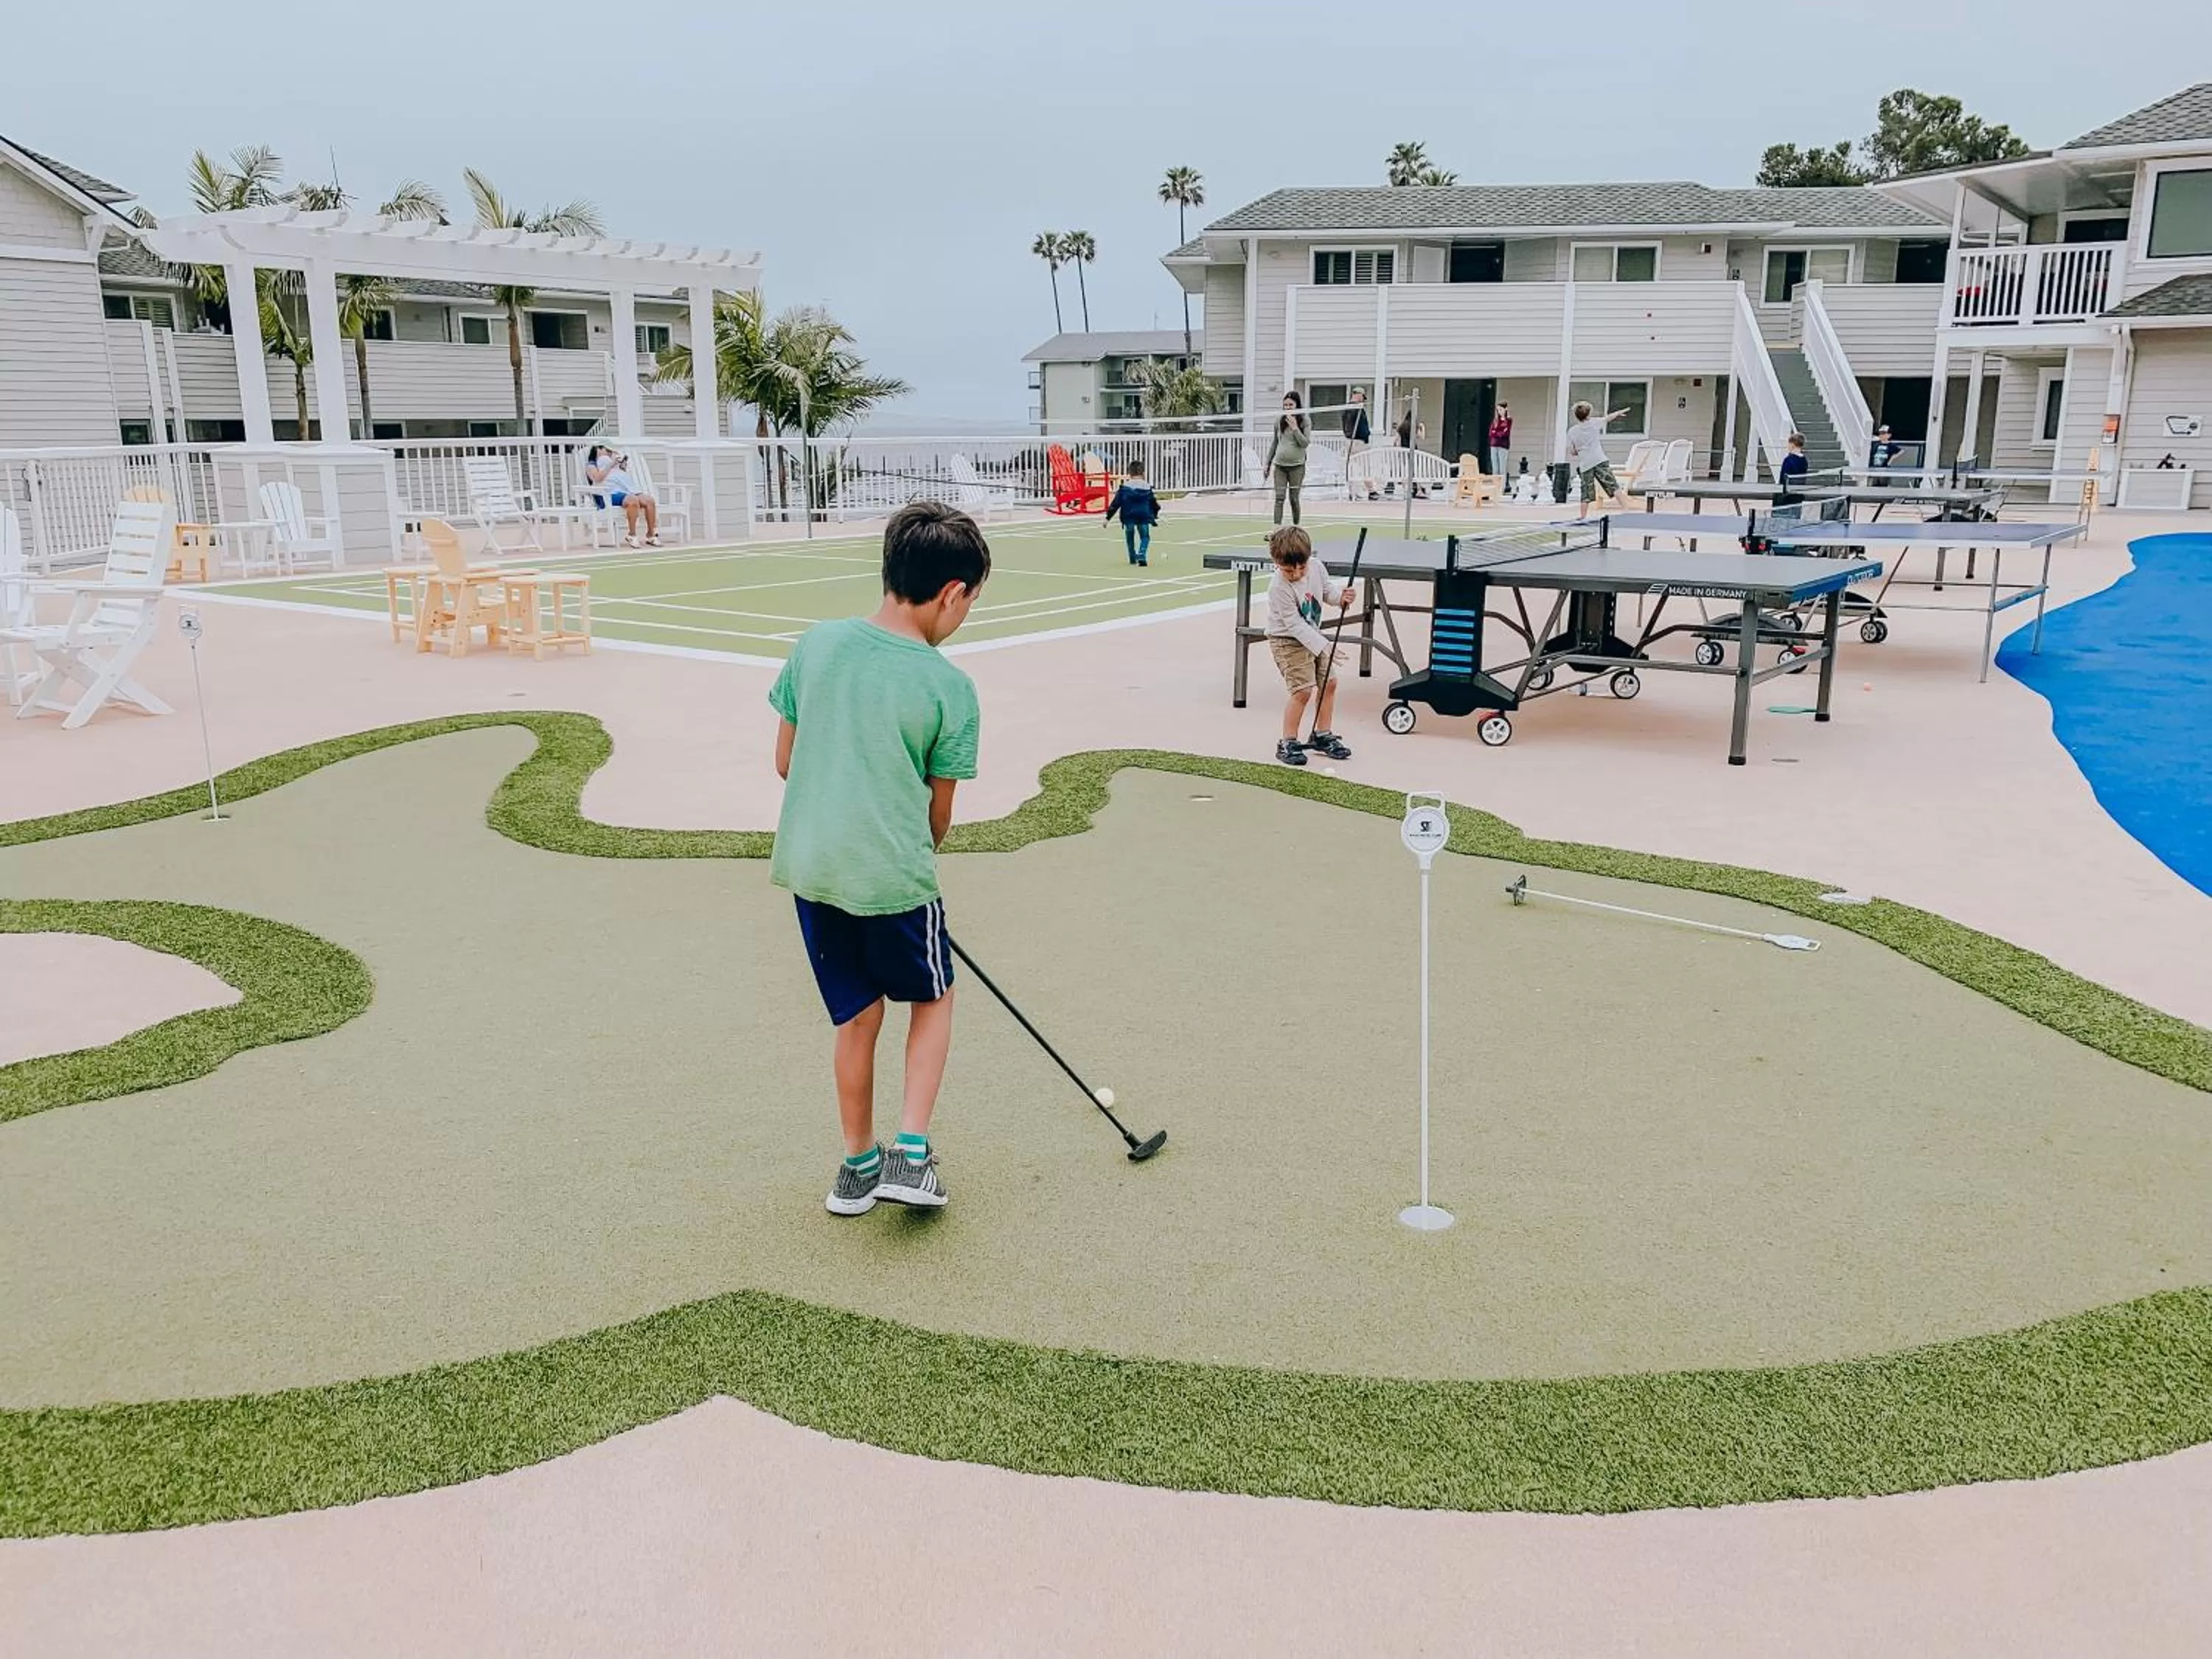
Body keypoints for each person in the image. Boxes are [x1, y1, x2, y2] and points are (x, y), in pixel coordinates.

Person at [769, 501, 990, 1217]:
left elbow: (785, 762)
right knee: (934, 997)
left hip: (813, 871)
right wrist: (905, 861)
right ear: (953, 592)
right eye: (969, 604)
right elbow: (938, 816)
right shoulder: (950, 687)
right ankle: (912, 1155)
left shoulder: (818, 644)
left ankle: (857, 1167)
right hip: (892, 879)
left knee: (857, 1017)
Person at [1263, 525, 1354, 768]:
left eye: (1301, 567)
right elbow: (1293, 625)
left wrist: (1340, 599)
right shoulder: (1278, 588)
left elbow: (1327, 592)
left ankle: (1323, 735)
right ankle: (1288, 742)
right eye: (1288, 569)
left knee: (1329, 683)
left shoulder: (1316, 567)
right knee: (1302, 690)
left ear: (1308, 558)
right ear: (1276, 562)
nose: (1296, 574)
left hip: (1312, 634)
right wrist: (1324, 646)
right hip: (1287, 641)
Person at [584, 444, 661, 549]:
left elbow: (619, 478)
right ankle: (632, 535)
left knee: (649, 501)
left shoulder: (614, 464)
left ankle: (651, 535)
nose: (608, 452)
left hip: (626, 491)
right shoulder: (591, 465)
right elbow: (597, 478)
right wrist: (611, 464)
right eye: (605, 450)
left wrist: (621, 467)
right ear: (597, 450)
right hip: (608, 494)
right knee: (633, 500)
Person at [1564, 400, 1630, 520]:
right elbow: (1608, 418)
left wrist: (1580, 450)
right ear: (1589, 414)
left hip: (1585, 464)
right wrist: (1619, 413)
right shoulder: (1594, 423)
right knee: (1613, 485)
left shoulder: (1572, 431)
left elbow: (1572, 452)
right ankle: (1626, 509)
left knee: (1586, 490)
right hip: (1599, 460)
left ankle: (1583, 516)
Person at [1103, 459, 1161, 566]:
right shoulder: (1147, 487)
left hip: (1128, 515)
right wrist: (1156, 513)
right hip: (1143, 514)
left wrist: (1108, 518)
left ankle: (1132, 558)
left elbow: (1116, 503)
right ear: (1143, 473)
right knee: (1145, 536)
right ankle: (1142, 553)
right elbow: (1153, 503)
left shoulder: (1125, 487)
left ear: (1130, 473)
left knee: (1130, 536)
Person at [1268, 392, 1310, 526]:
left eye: (1291, 405)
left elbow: (1305, 443)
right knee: (1279, 498)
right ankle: (1276, 529)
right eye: (1285, 405)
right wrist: (1268, 463)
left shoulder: (1305, 420)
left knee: (1294, 498)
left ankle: (1296, 527)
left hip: (1297, 466)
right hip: (1280, 465)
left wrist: (1295, 428)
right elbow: (1275, 443)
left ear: (1297, 405)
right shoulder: (1279, 421)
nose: (1288, 408)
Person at [1343, 387, 1376, 501]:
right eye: (1363, 397)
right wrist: (1366, 436)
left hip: (1351, 440)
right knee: (1363, 467)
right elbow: (1358, 427)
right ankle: (1370, 491)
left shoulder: (1349, 408)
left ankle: (1353, 492)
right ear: (1359, 395)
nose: (1364, 400)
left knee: (1354, 467)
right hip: (1357, 441)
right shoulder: (1355, 408)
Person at [1778, 432, 1809, 497]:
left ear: (1793, 444)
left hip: (1788, 493)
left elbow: (1783, 478)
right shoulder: (1804, 460)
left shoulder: (1789, 460)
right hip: (1799, 492)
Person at [1488, 402, 1513, 478]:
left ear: (1506, 409)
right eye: (1498, 410)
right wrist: (1497, 433)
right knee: (1495, 468)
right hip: (1494, 445)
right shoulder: (1495, 420)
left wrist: (1496, 433)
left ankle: (1502, 486)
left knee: (1502, 468)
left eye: (1501, 409)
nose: (1499, 412)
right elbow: (1491, 433)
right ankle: (1495, 486)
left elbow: (1505, 433)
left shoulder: (1508, 420)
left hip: (1503, 446)